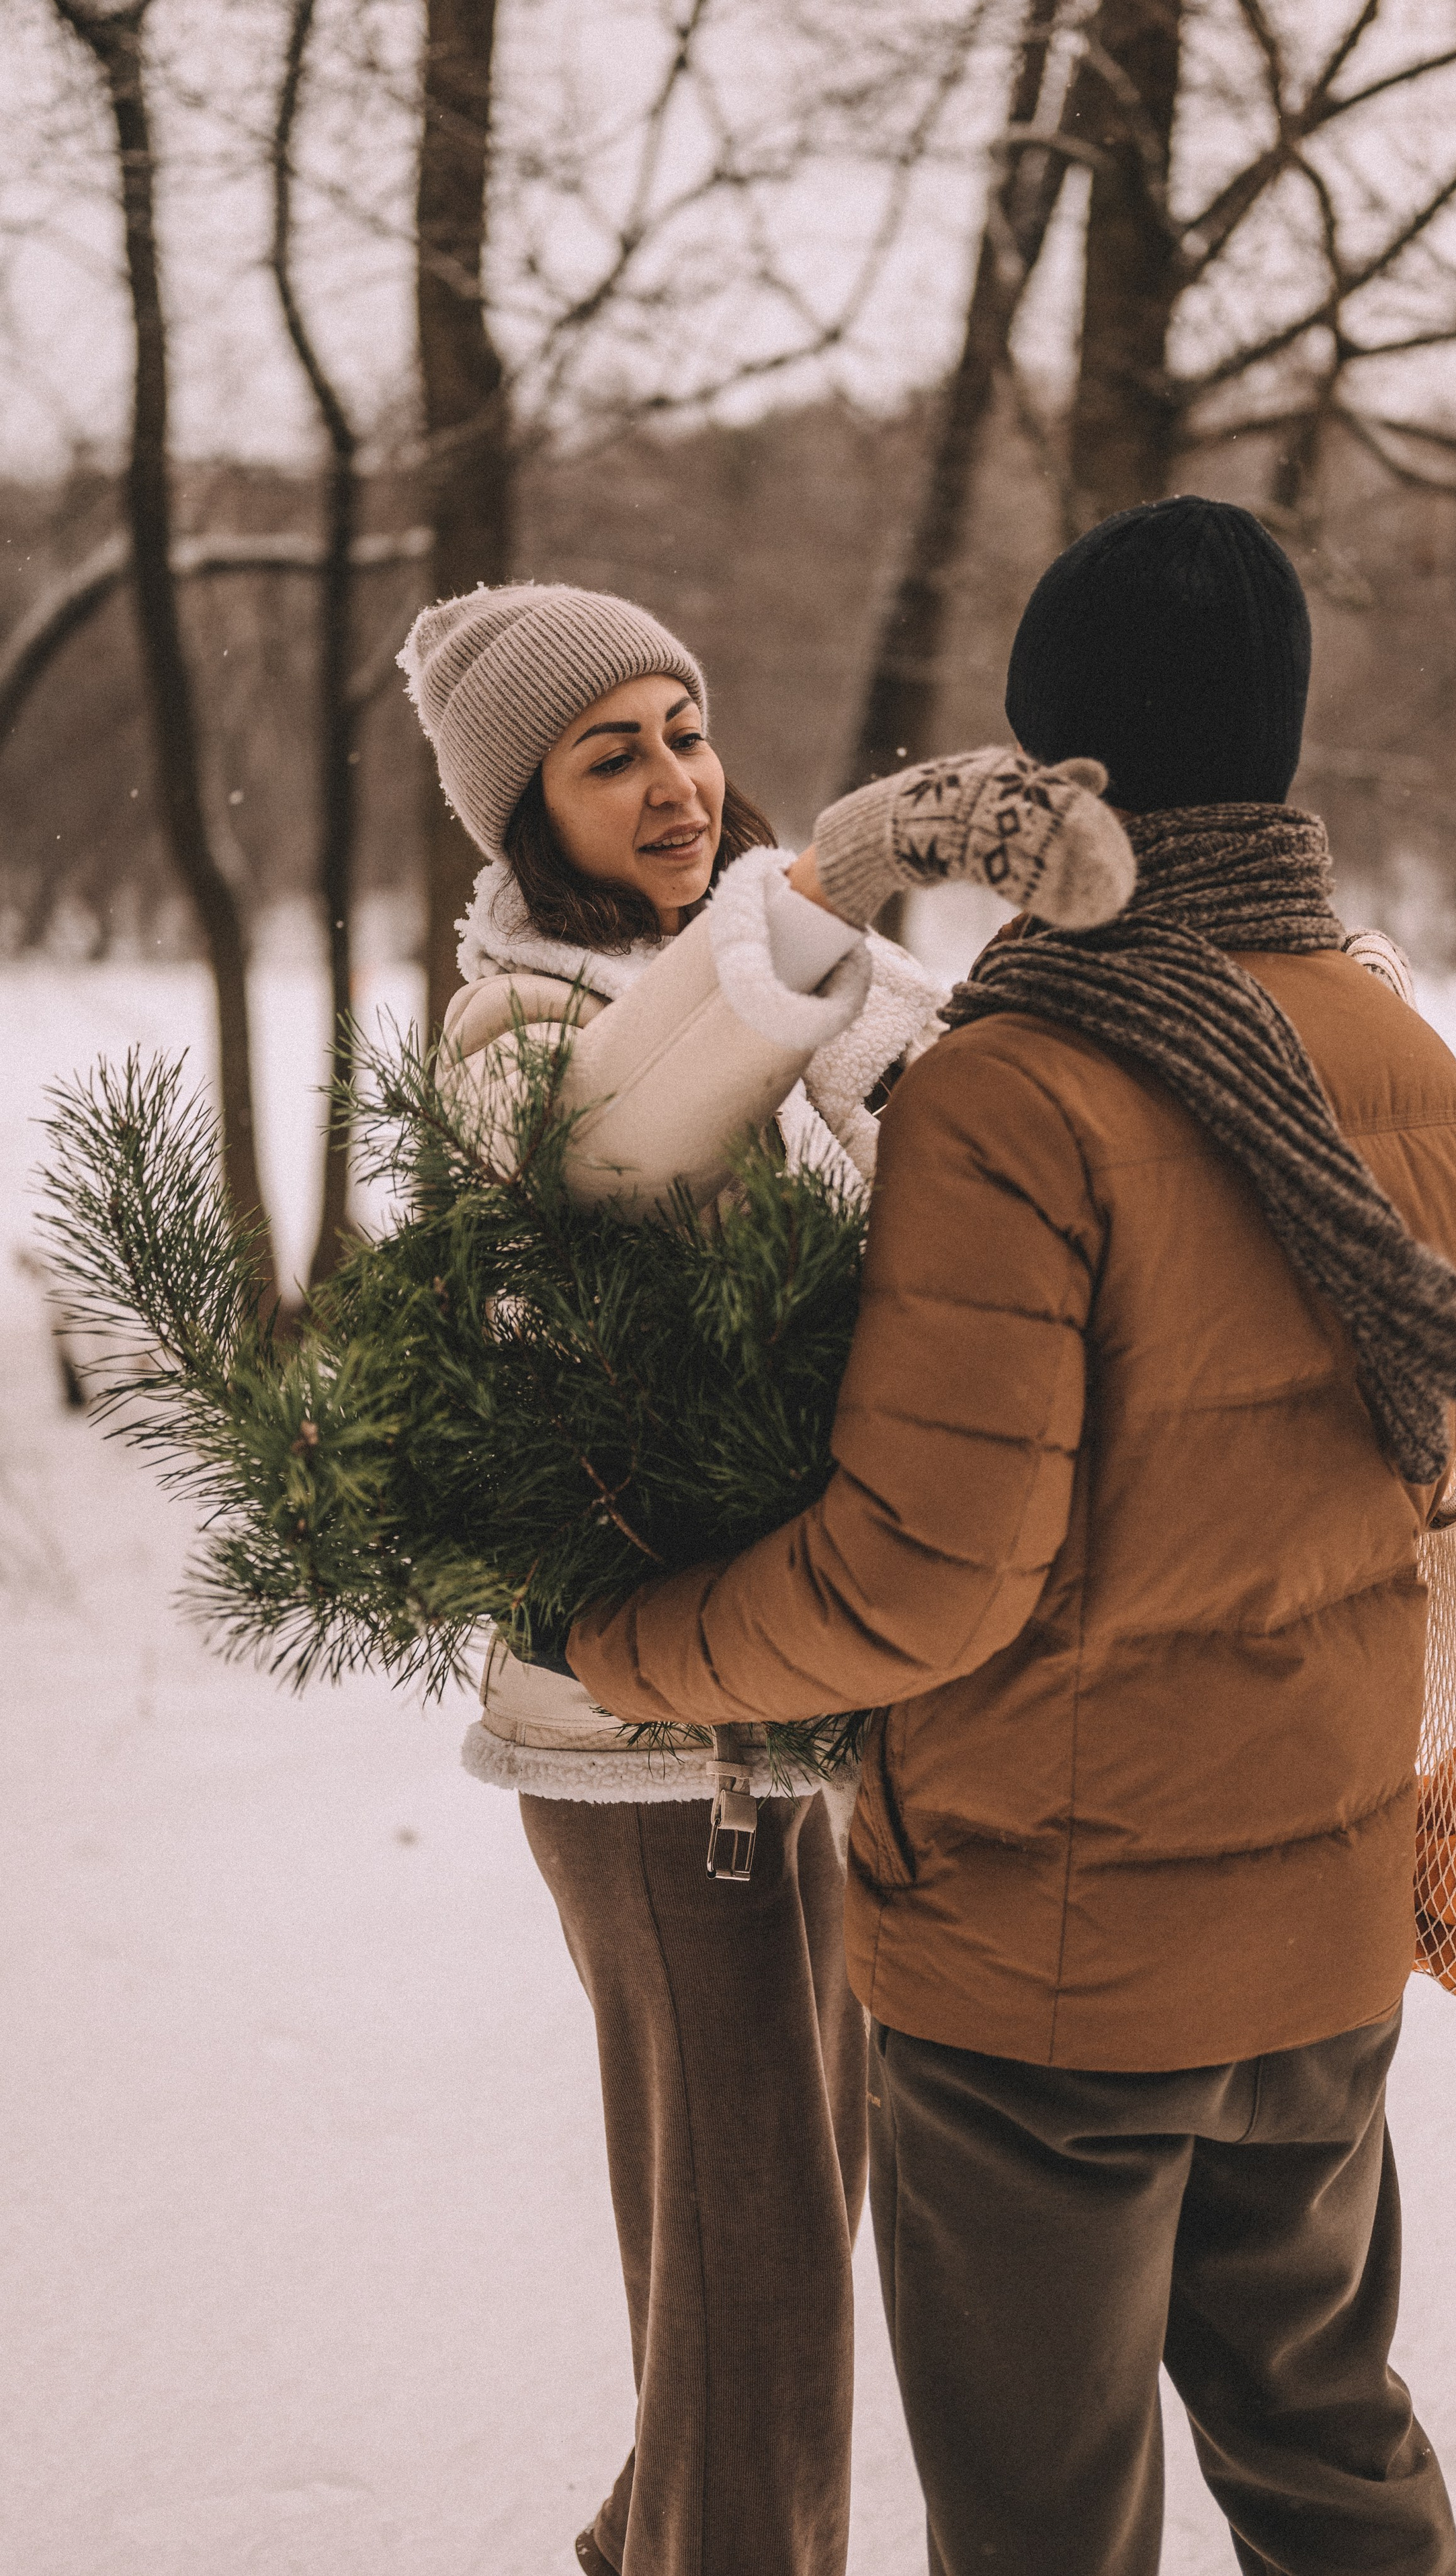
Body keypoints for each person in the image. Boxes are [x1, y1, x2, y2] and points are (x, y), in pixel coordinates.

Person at [563, 499, 1456, 2576]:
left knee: (1041, 2521)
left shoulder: (1022, 1085)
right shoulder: (1401, 1055)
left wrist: (631, 1645)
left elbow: (923, 1574)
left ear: (1047, 771)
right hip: (1313, 1946)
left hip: (1050, 1983)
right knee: (1325, 2445)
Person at [397, 582, 955, 2576]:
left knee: (790, 2212)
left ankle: (657, 2533)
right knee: (766, 2283)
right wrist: (805, 921)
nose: (673, 780)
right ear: (525, 811)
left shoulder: (766, 974)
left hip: (791, 1704)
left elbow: (934, 1110)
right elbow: (622, 1145)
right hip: (648, 1749)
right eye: (609, 750)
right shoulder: (510, 1037)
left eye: (687, 726)